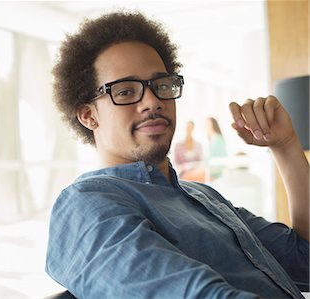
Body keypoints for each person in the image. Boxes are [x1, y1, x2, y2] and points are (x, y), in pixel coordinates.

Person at [45, 11, 309, 299]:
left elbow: (305, 261)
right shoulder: (87, 203)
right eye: (124, 91)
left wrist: (285, 146)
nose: (152, 101)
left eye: (162, 85)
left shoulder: (204, 197)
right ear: (88, 115)